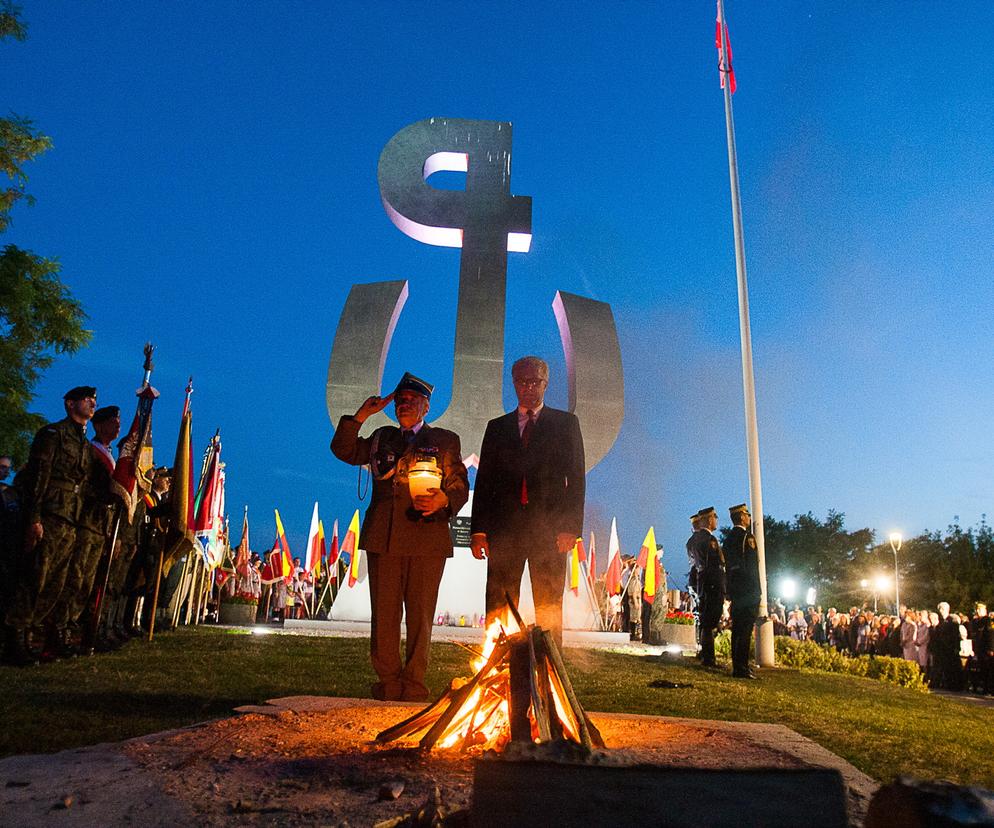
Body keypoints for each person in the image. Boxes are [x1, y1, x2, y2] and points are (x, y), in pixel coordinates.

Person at [332, 372, 469, 702]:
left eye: (412, 401)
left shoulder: (444, 439)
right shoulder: (382, 436)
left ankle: (414, 682)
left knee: (421, 614)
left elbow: (459, 483)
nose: (405, 405)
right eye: (401, 401)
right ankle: (389, 680)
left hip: (426, 538)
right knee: (385, 613)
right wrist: (363, 415)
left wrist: (443, 500)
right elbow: (343, 449)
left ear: (425, 407)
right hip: (386, 536)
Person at [470, 356, 585, 646]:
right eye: (522, 381)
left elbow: (577, 479)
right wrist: (479, 531)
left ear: (546, 384)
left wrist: (570, 527)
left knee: (548, 601)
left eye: (534, 381)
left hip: (550, 530)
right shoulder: (497, 428)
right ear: (514, 384)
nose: (528, 387)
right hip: (505, 531)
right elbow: (484, 482)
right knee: (500, 597)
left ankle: (549, 668)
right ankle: (495, 662)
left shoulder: (565, 424)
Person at [3, 386, 97, 665]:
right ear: (70, 404)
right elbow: (39, 478)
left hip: (71, 518)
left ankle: (31, 637)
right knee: (34, 579)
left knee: (55, 584)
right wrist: (34, 518)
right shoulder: (53, 434)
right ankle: (14, 639)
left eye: (94, 401)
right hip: (50, 515)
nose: (92, 404)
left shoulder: (83, 443)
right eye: (86, 400)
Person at [723, 503, 760, 678]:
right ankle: (741, 667)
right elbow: (752, 567)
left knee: (737, 629)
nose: (749, 518)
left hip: (736, 590)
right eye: (748, 515)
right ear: (743, 517)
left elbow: (728, 567)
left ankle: (738, 664)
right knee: (745, 630)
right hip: (748, 590)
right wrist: (756, 590)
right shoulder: (747, 538)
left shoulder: (728, 538)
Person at [687, 506, 725, 667]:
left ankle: (705, 654)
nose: (716, 520)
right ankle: (708, 658)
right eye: (714, 517)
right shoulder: (708, 539)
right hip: (711, 584)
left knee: (705, 620)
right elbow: (714, 565)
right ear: (709, 520)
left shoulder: (694, 540)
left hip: (703, 583)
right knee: (709, 622)